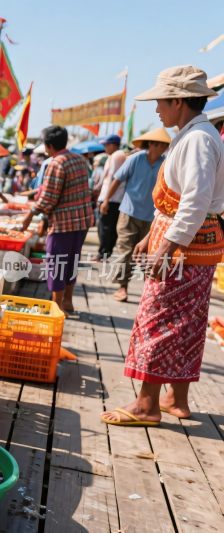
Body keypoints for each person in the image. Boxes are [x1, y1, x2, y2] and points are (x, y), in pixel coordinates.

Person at [101, 66, 224, 427]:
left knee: (159, 321)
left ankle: (146, 404)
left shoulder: (198, 138)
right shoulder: (196, 135)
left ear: (178, 101)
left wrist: (166, 246)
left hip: (185, 249)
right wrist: (149, 236)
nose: (157, 110)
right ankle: (177, 398)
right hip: (192, 245)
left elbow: (196, 200)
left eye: (160, 102)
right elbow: (179, 202)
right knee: (187, 322)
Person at [21, 126, 95, 313]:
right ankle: (68, 302)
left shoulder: (56, 163)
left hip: (63, 224)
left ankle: (57, 308)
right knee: (71, 262)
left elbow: (48, 199)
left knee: (56, 265)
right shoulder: (79, 160)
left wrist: (30, 214)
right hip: (82, 221)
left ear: (48, 145)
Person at [102, 128, 170, 302]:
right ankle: (122, 286)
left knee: (148, 254)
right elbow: (117, 180)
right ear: (152, 144)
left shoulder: (165, 164)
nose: (163, 148)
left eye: (165, 145)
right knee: (125, 250)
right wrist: (106, 200)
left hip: (151, 217)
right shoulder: (135, 159)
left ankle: (149, 289)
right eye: (161, 144)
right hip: (129, 212)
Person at [94, 134, 127, 260]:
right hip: (111, 197)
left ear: (113, 144)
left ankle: (103, 253)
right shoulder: (112, 156)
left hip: (112, 198)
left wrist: (106, 199)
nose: (105, 147)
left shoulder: (117, 156)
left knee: (106, 227)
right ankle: (104, 253)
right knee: (107, 227)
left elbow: (114, 178)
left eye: (106, 145)